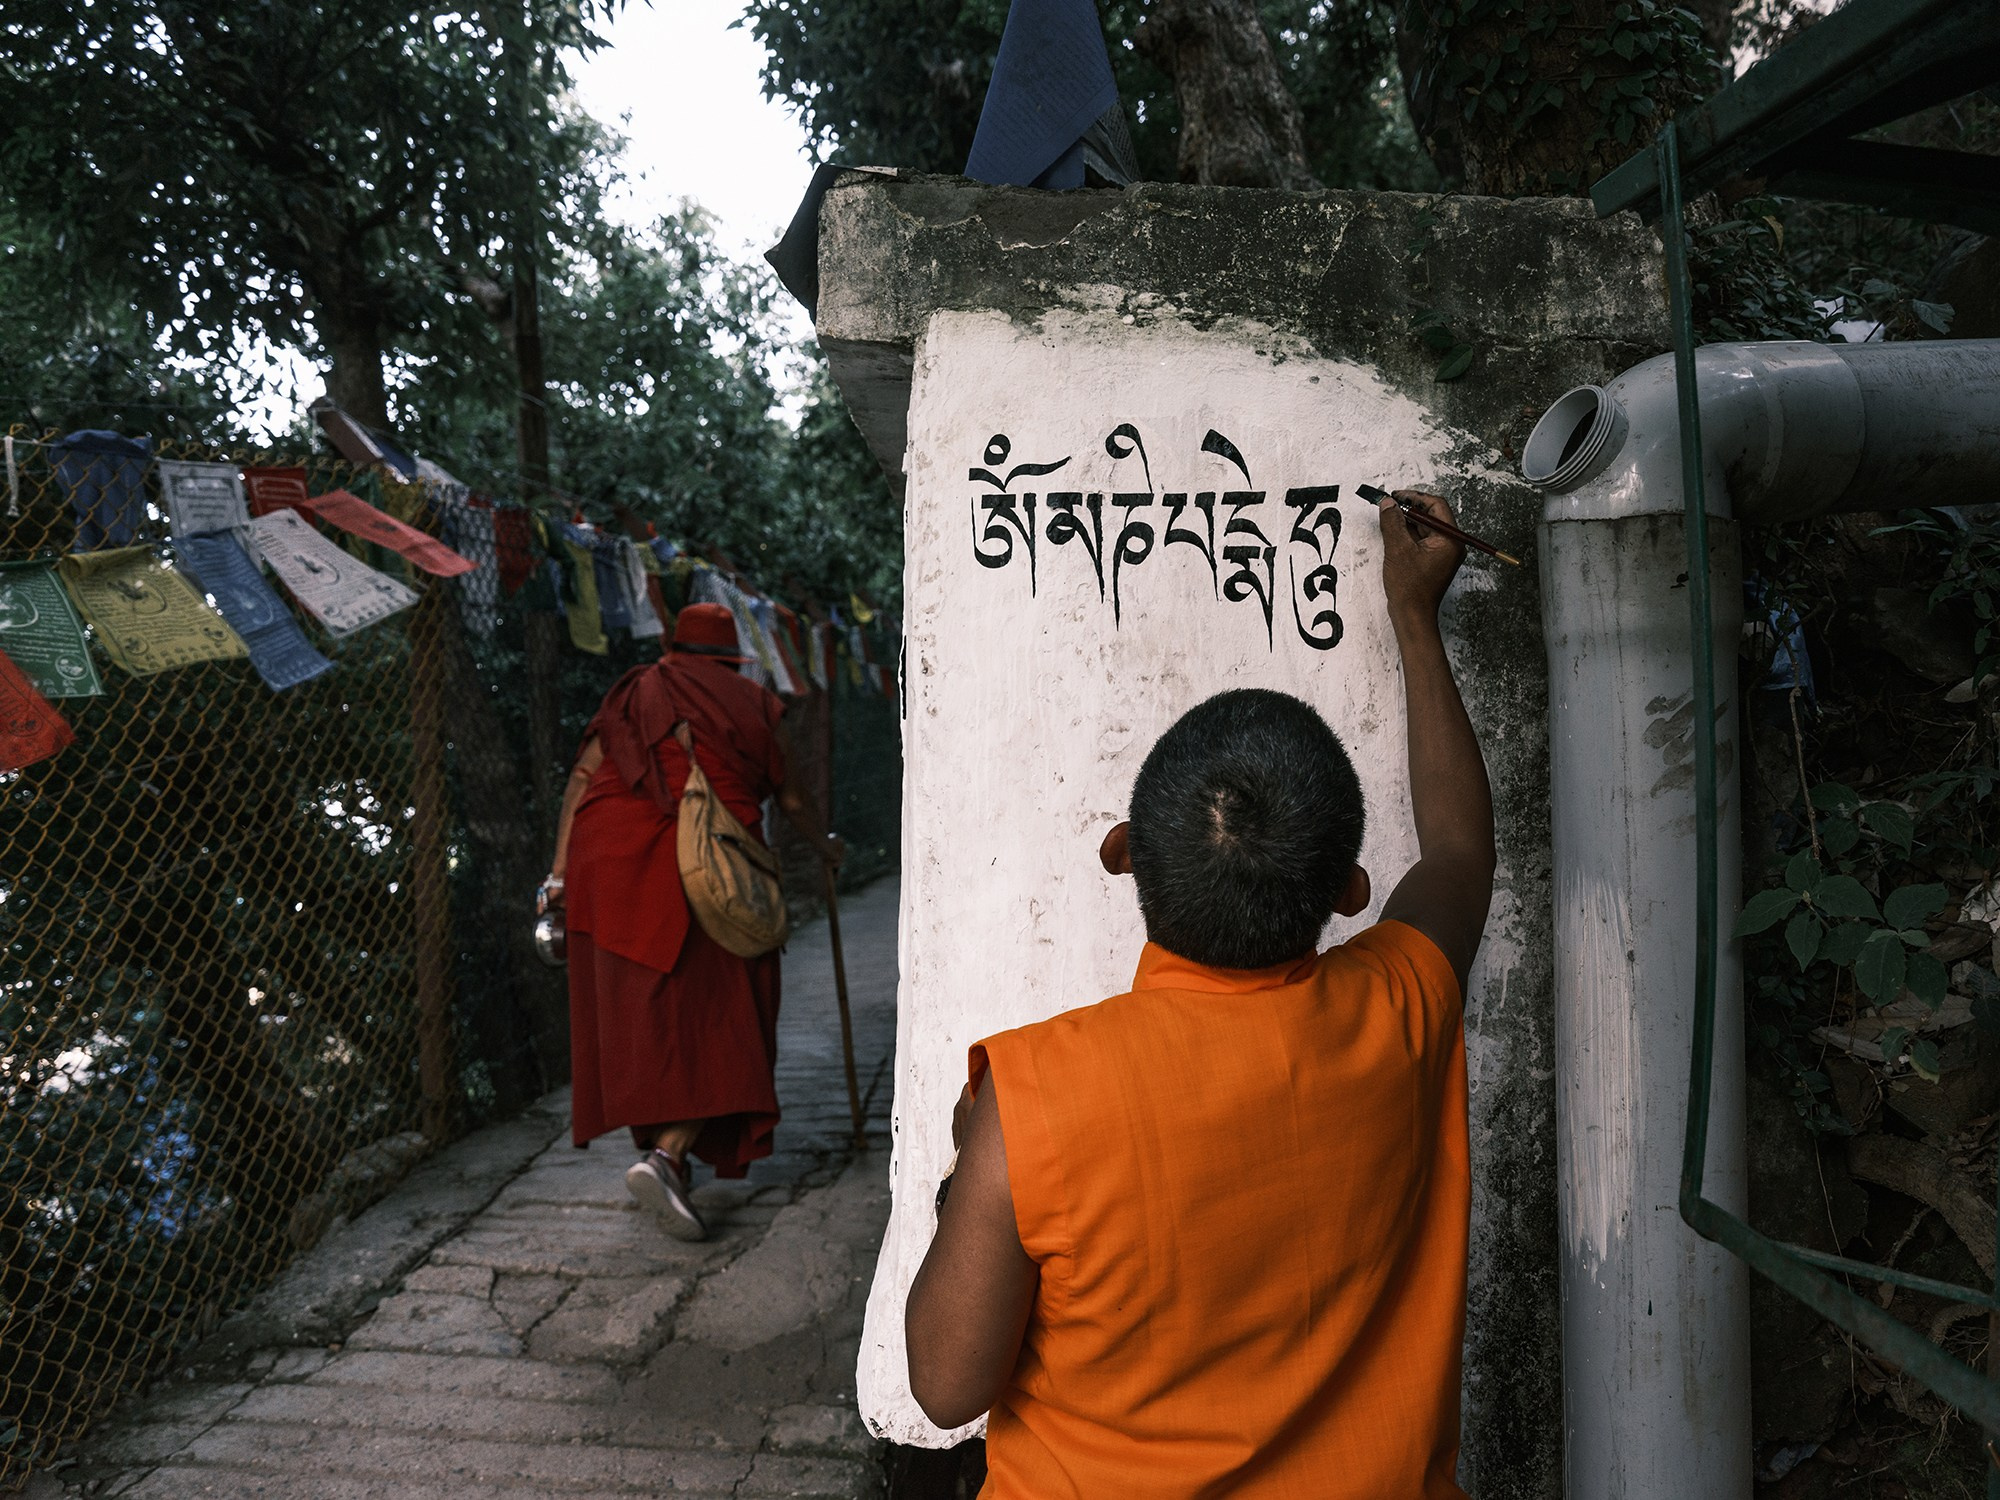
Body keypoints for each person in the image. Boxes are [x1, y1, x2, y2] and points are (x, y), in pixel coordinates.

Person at [904, 491, 1495, 1497]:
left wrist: (966, 1175)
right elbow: (1458, 850)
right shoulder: (1401, 1007)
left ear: (1121, 856)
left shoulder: (1035, 1095)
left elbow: (945, 1385)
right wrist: (1411, 609)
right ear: (1349, 894)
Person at [541, 601, 841, 1242]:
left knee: (649, 1015)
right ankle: (668, 1156)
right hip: (703, 867)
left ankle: (666, 1150)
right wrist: (826, 847)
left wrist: (558, 877)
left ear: (675, 648)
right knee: (733, 1012)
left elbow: (582, 778)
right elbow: (789, 797)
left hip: (607, 861)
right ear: (732, 657)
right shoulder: (754, 701)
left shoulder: (639, 689)